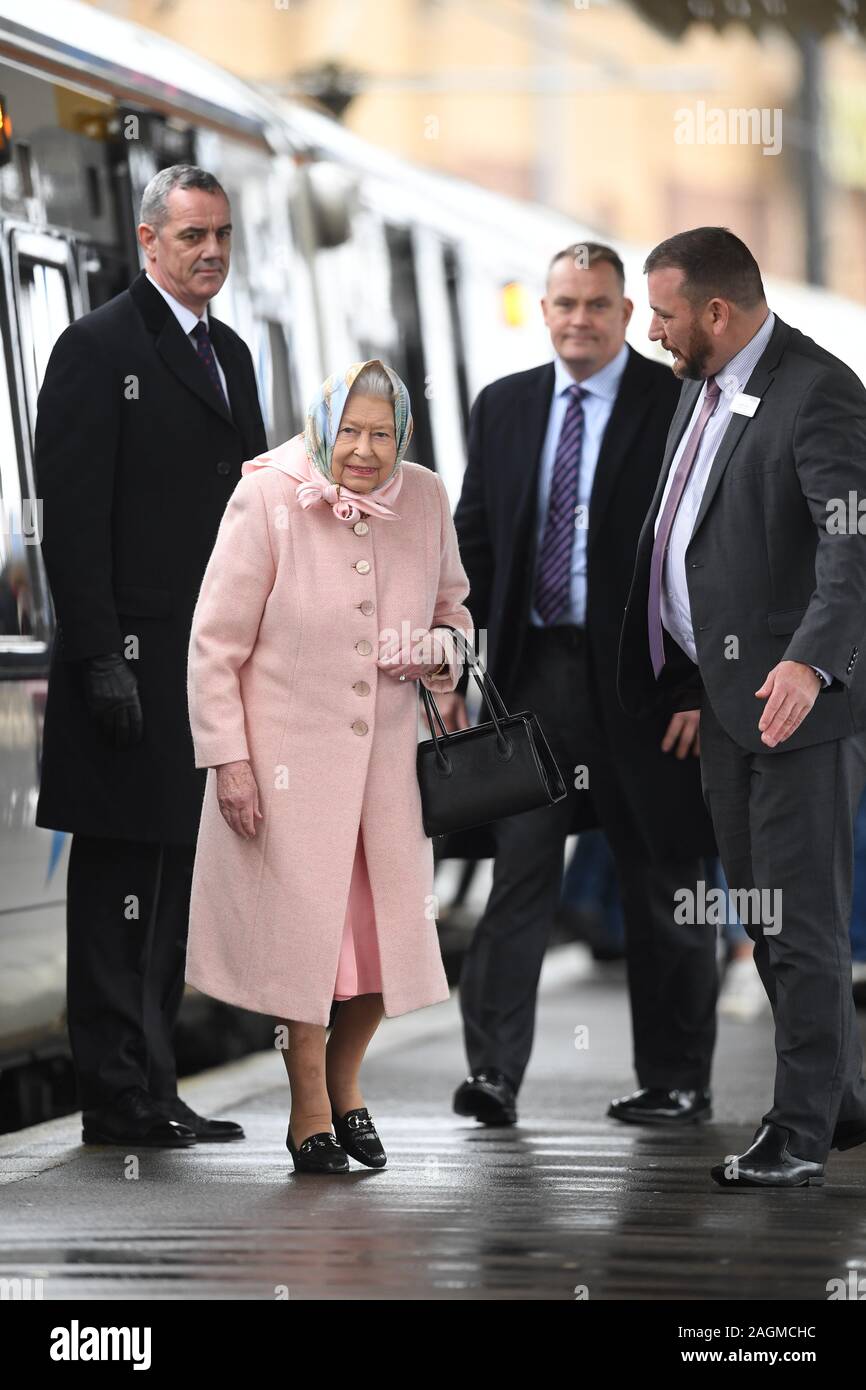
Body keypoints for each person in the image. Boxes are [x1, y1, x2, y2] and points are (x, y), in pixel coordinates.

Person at [439, 242, 718, 1129]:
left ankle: (675, 1079)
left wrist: (701, 687)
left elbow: (713, 554)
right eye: (563, 304)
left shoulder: (676, 403)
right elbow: (472, 545)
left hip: (647, 685)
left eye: (597, 305)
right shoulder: (506, 407)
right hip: (535, 685)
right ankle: (492, 1076)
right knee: (519, 881)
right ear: (545, 307)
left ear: (627, 315)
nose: (578, 321)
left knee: (665, 884)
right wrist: (447, 654)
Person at [619, 226, 866, 1189]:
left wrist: (811, 665)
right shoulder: (703, 388)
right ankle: (837, 1098)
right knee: (766, 917)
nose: (653, 331)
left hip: (795, 707)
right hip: (727, 704)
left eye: (664, 314)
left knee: (799, 921)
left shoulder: (820, 390)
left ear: (716, 312)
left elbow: (853, 548)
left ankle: (799, 1133)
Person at [184, 359, 473, 1174]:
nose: (365, 450)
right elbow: (214, 647)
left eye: (382, 434)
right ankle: (309, 1106)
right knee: (304, 949)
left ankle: (346, 1084)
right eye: (349, 431)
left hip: (388, 775)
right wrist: (229, 762)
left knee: (385, 947)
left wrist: (439, 648)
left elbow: (455, 611)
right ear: (322, 427)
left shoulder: (425, 498)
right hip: (286, 772)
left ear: (403, 435)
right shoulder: (269, 495)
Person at [34, 164, 266, 1148]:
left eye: (220, 236)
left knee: (175, 886)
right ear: (147, 243)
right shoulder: (95, 349)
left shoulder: (234, 355)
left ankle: (155, 1081)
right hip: (127, 672)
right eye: (191, 238)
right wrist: (100, 661)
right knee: (121, 888)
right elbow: (73, 526)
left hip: (202, 670)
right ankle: (115, 1095)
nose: (209, 252)